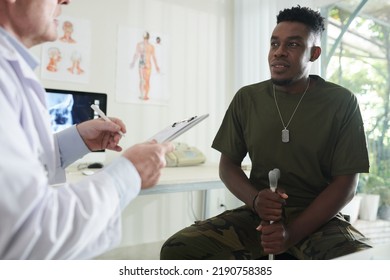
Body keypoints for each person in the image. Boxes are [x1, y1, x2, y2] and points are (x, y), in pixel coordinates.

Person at [160, 5, 372, 260]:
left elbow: (346, 184)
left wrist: (290, 234)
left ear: (314, 53)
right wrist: (255, 200)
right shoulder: (248, 99)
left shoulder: (341, 102)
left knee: (361, 263)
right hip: (259, 215)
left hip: (317, 218)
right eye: (274, 44)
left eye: (292, 45)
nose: (279, 52)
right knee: (178, 249)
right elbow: (228, 166)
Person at [0, 0, 174, 259]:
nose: (65, 1)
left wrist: (76, 139)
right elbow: (28, 234)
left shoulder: (13, 69)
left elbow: (22, 161)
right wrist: (129, 172)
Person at [130, 31, 160, 100]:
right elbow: (137, 54)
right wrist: (156, 66)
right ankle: (144, 95)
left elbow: (136, 55)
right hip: (145, 64)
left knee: (143, 80)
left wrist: (133, 62)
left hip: (143, 63)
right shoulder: (149, 46)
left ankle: (143, 95)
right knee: (145, 80)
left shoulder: (141, 45)